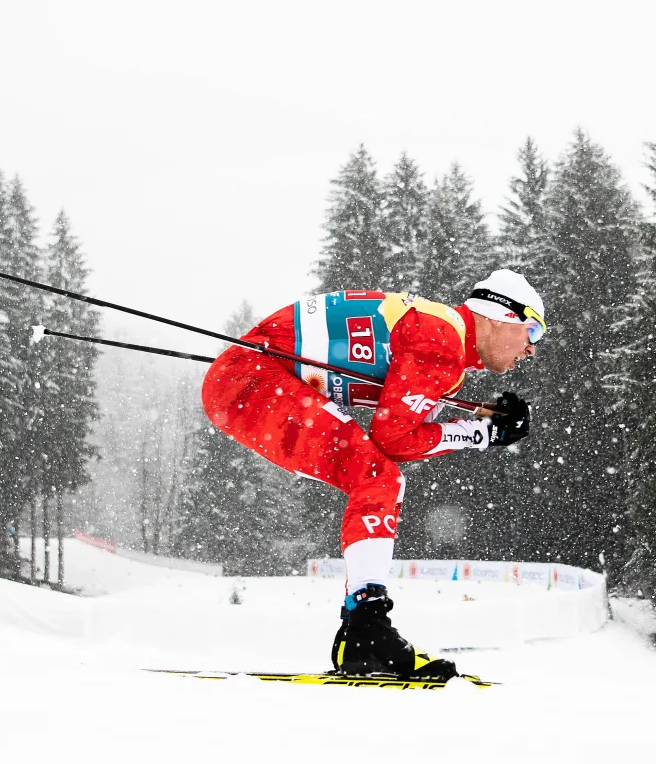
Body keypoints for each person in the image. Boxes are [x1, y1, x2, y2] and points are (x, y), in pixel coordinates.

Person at [200, 268, 544, 680]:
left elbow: (410, 420)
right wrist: (479, 433)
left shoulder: (443, 336)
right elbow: (396, 439)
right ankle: (365, 630)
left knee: (378, 476)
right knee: (378, 476)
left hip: (249, 375)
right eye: (533, 332)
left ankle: (362, 630)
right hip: (250, 380)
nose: (531, 350)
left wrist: (481, 425)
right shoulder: (443, 340)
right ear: (499, 315)